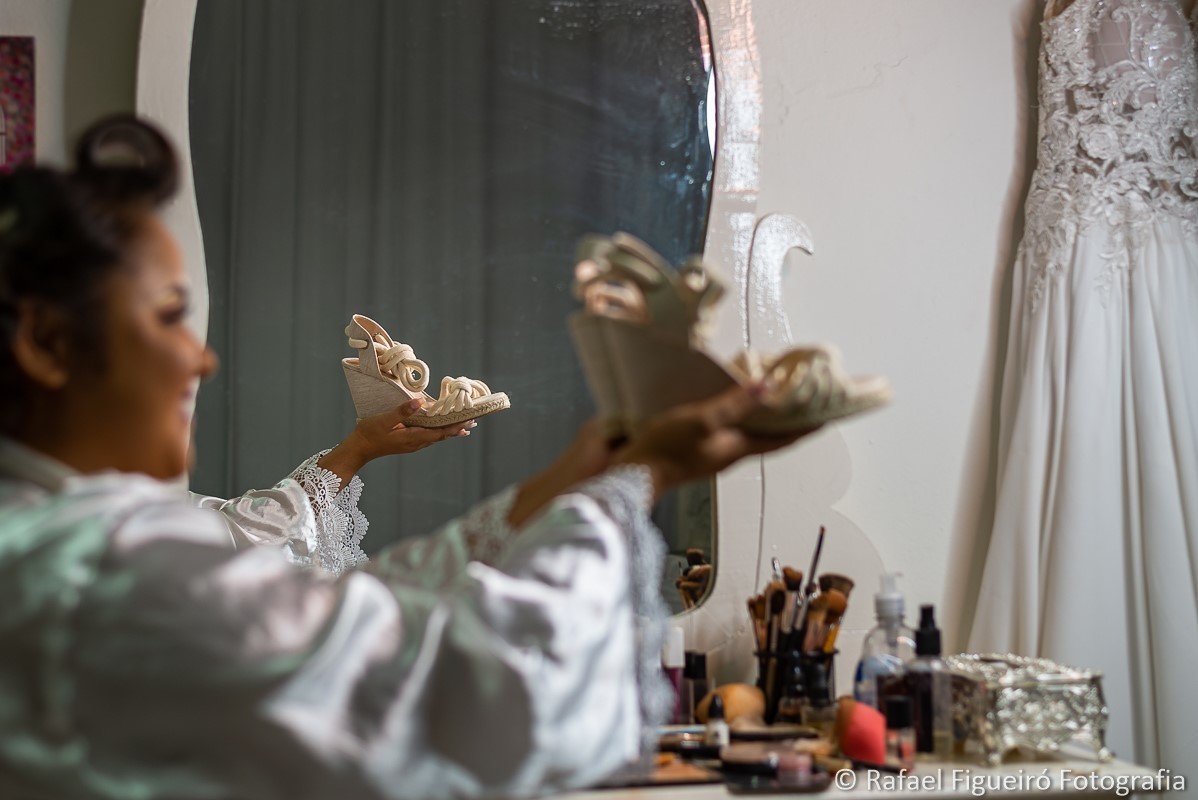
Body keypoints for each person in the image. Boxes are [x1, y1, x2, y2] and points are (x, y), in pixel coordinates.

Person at [0, 115, 817, 800]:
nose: (200, 359)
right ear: (44, 341)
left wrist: (587, 467)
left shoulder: (46, 540)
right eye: (169, 317)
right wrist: (636, 481)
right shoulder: (96, 573)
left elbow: (336, 600)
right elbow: (444, 688)